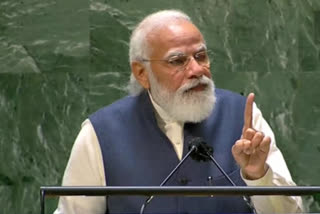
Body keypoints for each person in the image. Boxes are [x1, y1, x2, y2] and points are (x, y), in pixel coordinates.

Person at [54, 10, 304, 214]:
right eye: (177, 61)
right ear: (142, 73)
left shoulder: (244, 118)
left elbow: (291, 213)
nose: (196, 70)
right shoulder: (100, 133)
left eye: (201, 56)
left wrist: (257, 175)